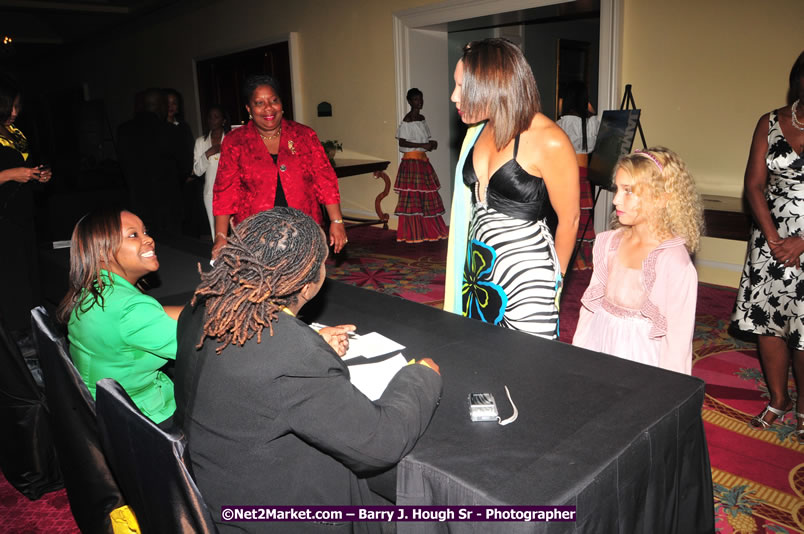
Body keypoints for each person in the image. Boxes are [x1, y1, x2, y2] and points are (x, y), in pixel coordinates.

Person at [174, 207, 442, 533]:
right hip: (275, 516)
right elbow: (380, 443)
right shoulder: (290, 352)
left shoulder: (204, 306)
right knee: (429, 515)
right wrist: (420, 377)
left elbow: (252, 359)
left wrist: (309, 339)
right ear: (308, 285)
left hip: (212, 488)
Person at [445, 38, 580, 339]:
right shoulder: (477, 132)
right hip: (478, 272)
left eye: (463, 88)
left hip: (526, 278)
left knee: (525, 368)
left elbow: (569, 219)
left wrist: (553, 280)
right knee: (479, 356)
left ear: (493, 87)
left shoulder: (549, 139)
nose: (454, 96)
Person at [573, 148, 703, 375]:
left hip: (641, 358)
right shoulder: (609, 244)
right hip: (600, 343)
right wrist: (577, 355)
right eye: (617, 189)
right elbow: (591, 308)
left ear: (661, 198)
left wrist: (673, 390)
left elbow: (678, 340)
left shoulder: (673, 261)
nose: (615, 200)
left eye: (628, 191)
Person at [731, 51, 804, 441]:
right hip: (770, 236)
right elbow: (754, 185)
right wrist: (773, 238)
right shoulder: (770, 121)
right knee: (768, 321)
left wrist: (802, 242)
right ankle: (779, 399)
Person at [57, 208, 184, 427]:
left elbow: (155, 314)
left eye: (145, 232)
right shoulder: (129, 310)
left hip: (103, 411)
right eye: (134, 235)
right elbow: (201, 344)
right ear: (101, 252)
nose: (149, 239)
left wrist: (204, 306)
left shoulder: (96, 291)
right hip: (143, 420)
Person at [212, 74, 347, 257]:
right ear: (249, 109)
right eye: (259, 103)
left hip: (303, 229)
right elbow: (225, 191)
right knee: (260, 283)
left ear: (281, 104)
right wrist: (221, 236)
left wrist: (336, 221)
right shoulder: (236, 141)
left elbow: (325, 180)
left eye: (274, 100)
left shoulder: (304, 135)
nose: (268, 108)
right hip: (255, 233)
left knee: (303, 281)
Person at [0, 75, 51, 335]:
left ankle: (33, 330)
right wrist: (11, 174)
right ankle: (15, 335)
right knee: (10, 277)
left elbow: (26, 171)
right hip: (3, 219)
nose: (15, 112)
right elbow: (9, 173)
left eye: (17, 106)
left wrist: (38, 176)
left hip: (23, 214)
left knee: (29, 274)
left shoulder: (16, 134)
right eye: (11, 106)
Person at [117, 88, 189, 236]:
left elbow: (123, 166)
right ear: (161, 106)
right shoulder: (170, 131)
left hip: (137, 205)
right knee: (175, 253)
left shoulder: (123, 130)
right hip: (168, 206)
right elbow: (185, 167)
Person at [393, 88, 448, 243]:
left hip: (422, 161)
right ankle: (412, 232)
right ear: (410, 101)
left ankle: (428, 230)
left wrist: (430, 144)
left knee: (427, 197)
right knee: (413, 198)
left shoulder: (422, 118)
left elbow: (424, 141)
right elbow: (402, 142)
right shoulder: (407, 120)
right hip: (411, 162)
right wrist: (423, 144)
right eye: (416, 99)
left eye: (421, 99)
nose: (420, 102)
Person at [556, 80, 600, 268]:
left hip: (568, 171)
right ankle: (585, 260)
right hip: (585, 172)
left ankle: (572, 259)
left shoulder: (562, 122)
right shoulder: (592, 122)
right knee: (584, 216)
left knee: (569, 215)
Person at [193, 105, 230, 237]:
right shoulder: (200, 142)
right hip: (211, 192)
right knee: (216, 230)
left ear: (223, 120)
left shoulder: (231, 139)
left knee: (235, 228)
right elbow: (197, 171)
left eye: (216, 117)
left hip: (231, 189)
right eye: (210, 117)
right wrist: (208, 153)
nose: (212, 120)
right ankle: (219, 256)